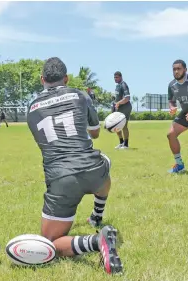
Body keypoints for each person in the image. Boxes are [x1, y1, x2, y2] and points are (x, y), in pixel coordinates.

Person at [26, 57, 123, 275]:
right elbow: (95, 133)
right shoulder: (80, 95)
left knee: (49, 243)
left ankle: (97, 241)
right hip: (92, 168)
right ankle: (98, 214)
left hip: (62, 177)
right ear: (66, 78)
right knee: (104, 163)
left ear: (42, 79)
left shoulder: (32, 107)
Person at [113, 71, 132, 149]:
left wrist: (118, 103)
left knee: (124, 126)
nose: (115, 79)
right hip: (119, 108)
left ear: (121, 77)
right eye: (114, 77)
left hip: (125, 107)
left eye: (117, 77)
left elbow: (127, 98)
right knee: (116, 125)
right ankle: (121, 142)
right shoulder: (117, 86)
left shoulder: (123, 85)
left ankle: (126, 145)